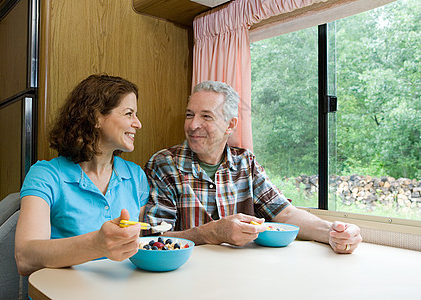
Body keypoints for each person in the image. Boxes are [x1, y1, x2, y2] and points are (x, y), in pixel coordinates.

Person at [142, 80, 362, 253]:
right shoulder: (164, 164)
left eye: (206, 116)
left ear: (231, 124)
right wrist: (212, 233)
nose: (193, 124)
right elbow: (153, 238)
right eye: (190, 115)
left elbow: (284, 213)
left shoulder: (245, 161)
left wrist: (332, 232)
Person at [15, 74, 149, 276]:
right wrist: (97, 244)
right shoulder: (46, 175)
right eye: (129, 114)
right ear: (96, 117)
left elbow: (140, 247)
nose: (138, 124)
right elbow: (25, 258)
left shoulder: (136, 176)